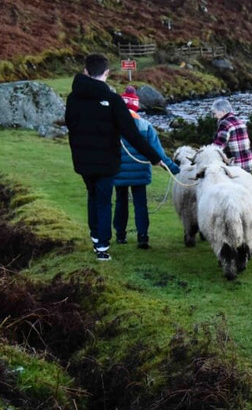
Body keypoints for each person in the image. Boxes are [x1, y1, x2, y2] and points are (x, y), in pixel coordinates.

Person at [65, 53, 163, 262]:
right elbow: (131, 133)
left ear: (86, 71)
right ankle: (102, 246)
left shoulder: (73, 98)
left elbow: (71, 125)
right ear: (107, 73)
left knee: (93, 196)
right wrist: (155, 158)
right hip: (106, 160)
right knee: (103, 200)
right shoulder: (112, 100)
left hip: (83, 159)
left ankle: (96, 237)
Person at [113, 87, 180, 249]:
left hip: (118, 172)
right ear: (136, 106)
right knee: (140, 204)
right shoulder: (145, 126)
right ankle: (143, 237)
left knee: (121, 202)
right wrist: (175, 169)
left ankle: (120, 235)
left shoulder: (113, 125)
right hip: (140, 173)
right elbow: (158, 153)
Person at [211, 98, 252, 171]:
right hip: (249, 163)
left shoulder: (225, 124)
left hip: (236, 166)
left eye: (214, 113)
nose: (214, 116)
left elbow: (217, 148)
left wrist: (203, 152)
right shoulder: (240, 121)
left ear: (222, 112)